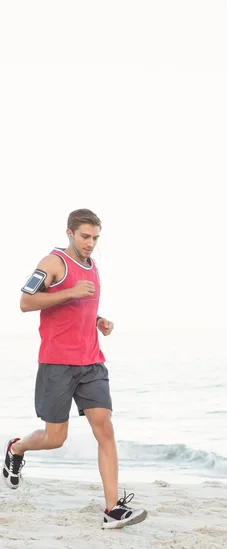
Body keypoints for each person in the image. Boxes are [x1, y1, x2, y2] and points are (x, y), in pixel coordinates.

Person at [2, 208, 147, 530]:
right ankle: (17, 448)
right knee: (56, 438)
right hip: (57, 362)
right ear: (69, 232)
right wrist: (70, 292)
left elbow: (77, 309)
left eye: (95, 238)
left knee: (105, 427)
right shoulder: (53, 263)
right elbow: (26, 303)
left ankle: (112, 509)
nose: (90, 243)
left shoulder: (93, 266)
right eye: (85, 236)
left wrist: (98, 321)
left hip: (91, 361)